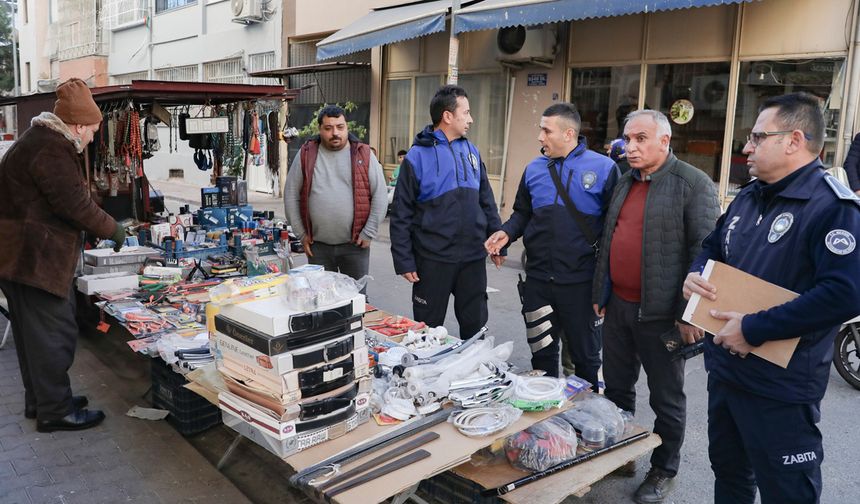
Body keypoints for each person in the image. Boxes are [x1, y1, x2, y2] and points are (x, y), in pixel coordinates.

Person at [684, 93, 860, 504]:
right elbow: (713, 246)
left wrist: (754, 328)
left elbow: (845, 292)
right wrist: (696, 274)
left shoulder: (832, 208)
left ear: (794, 140)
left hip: (780, 389)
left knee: (787, 492)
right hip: (726, 373)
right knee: (729, 476)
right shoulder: (749, 196)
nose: (747, 147)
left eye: (758, 137)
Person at [591, 109, 720, 503]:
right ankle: (621, 453)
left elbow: (707, 255)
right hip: (618, 308)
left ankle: (664, 469)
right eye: (628, 139)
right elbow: (610, 239)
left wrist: (689, 315)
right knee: (616, 389)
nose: (630, 147)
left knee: (666, 397)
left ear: (665, 141)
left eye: (641, 139)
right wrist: (601, 293)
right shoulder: (624, 181)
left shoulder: (692, 184)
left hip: (663, 316)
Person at [0, 78, 127, 432]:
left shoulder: (40, 141)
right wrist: (113, 230)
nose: (91, 140)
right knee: (54, 335)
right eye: (93, 132)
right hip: (33, 260)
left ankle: (41, 402)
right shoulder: (52, 149)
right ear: (79, 126)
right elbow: (74, 204)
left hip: (17, 256)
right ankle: (55, 412)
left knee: (32, 337)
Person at [485, 103, 618, 386]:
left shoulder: (604, 168)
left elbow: (614, 229)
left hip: (581, 284)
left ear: (568, 134)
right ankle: (547, 427)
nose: (540, 137)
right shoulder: (534, 168)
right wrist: (506, 234)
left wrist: (606, 285)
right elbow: (522, 212)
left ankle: (585, 423)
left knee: (586, 361)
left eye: (546, 130)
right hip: (538, 282)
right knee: (542, 360)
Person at [390, 85, 502, 339]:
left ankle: (473, 372)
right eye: (467, 112)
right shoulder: (416, 157)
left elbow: (487, 200)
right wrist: (404, 260)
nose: (471, 119)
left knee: (475, 328)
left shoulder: (472, 152)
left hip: (473, 257)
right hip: (432, 259)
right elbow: (401, 214)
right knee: (427, 332)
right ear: (448, 116)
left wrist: (498, 241)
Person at [284, 105, 387, 285]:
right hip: (318, 247)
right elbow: (291, 194)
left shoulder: (364, 154)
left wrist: (369, 232)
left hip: (356, 245)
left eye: (340, 127)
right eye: (328, 128)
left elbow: (380, 195)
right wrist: (300, 233)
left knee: (355, 299)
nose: (335, 133)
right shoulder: (306, 154)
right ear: (320, 129)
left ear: (347, 127)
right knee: (321, 301)